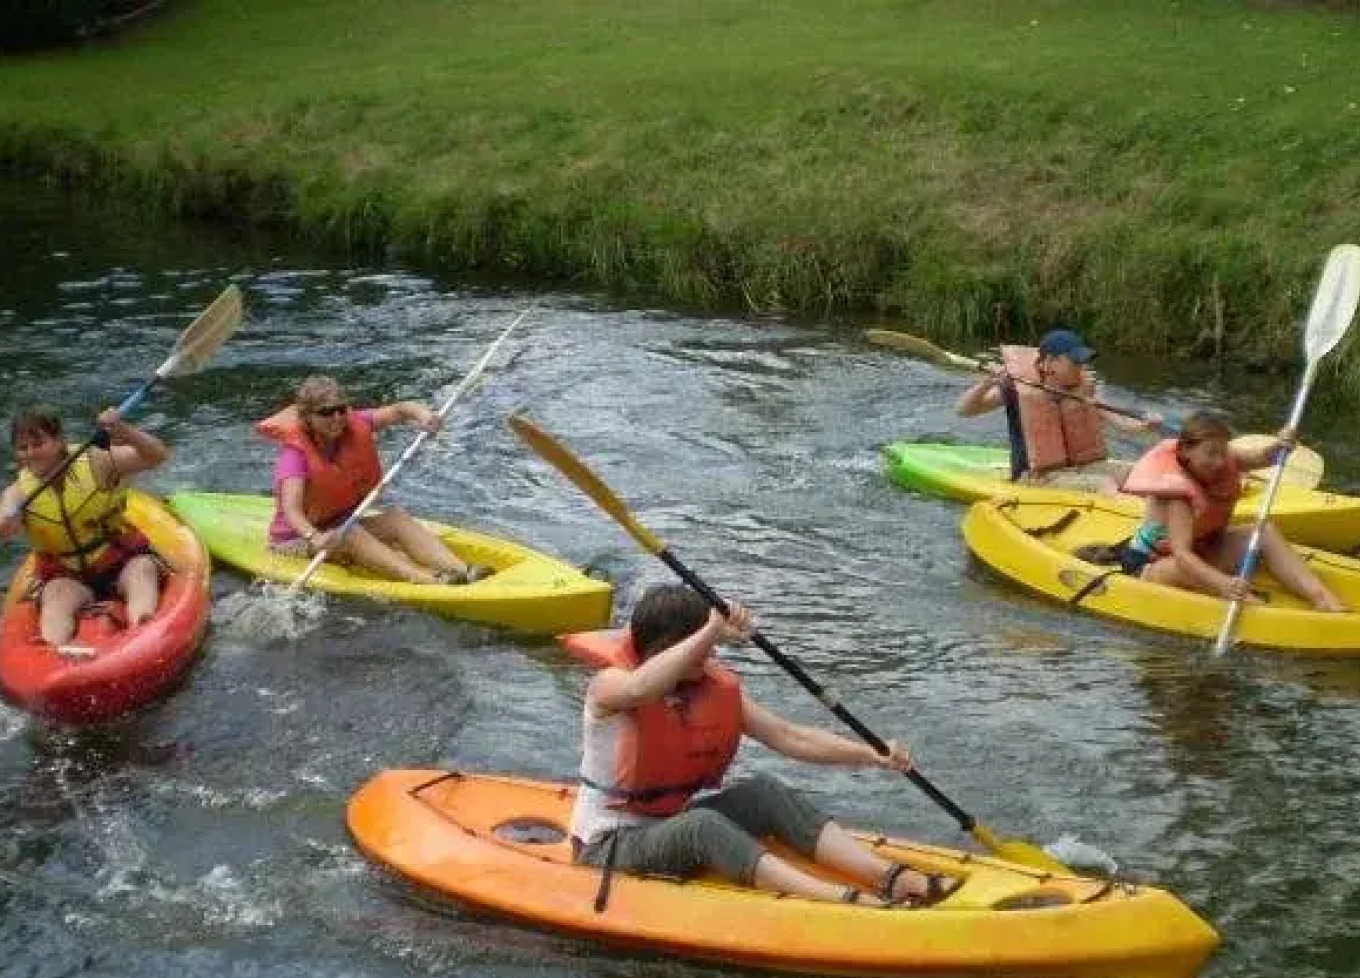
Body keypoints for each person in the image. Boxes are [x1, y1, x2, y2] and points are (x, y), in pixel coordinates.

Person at [569, 584, 958, 907]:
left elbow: (790, 737)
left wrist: (871, 755)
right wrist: (709, 630)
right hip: (608, 846)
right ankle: (837, 900)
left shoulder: (708, 688)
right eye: (701, 646)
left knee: (763, 791)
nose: (711, 654)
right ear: (666, 647)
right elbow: (641, 688)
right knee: (701, 826)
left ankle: (889, 877)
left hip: (667, 825)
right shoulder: (609, 686)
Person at [257, 375, 491, 585]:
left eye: (341, 409)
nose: (337, 417)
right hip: (297, 540)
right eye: (326, 412)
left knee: (396, 518)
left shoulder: (355, 423)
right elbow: (292, 511)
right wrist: (315, 537)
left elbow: (401, 410)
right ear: (307, 417)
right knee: (350, 534)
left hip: (340, 525)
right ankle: (425, 579)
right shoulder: (295, 455)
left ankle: (463, 570)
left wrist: (424, 416)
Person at [1116, 411, 1346, 612]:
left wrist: (1281, 444)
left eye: (1222, 453)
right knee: (1183, 567)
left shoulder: (1225, 459)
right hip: (1154, 566)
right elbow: (1182, 556)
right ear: (1186, 451)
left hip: (1203, 550)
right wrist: (1223, 584)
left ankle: (1322, 599)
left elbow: (1265, 457)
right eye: (1210, 454)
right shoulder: (1176, 491)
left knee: (1262, 531)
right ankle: (1257, 609)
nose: (1218, 462)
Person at [0, 406, 169, 646]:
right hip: (69, 577)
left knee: (142, 570)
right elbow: (6, 517)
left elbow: (156, 455)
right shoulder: (18, 492)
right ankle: (54, 653)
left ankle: (143, 634)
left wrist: (125, 431)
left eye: (38, 443)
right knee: (56, 594)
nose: (30, 453)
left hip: (120, 561)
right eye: (23, 448)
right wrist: (1, 520)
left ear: (60, 440)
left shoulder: (97, 461)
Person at [955, 327, 1164, 485]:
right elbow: (963, 411)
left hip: (1084, 468)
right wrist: (986, 383)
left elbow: (1121, 423)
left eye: (1082, 361)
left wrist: (1146, 425)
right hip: (1038, 477)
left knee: (1140, 476)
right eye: (1074, 361)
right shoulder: (1017, 388)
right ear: (1051, 361)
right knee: (1104, 485)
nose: (1080, 367)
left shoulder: (1084, 388)